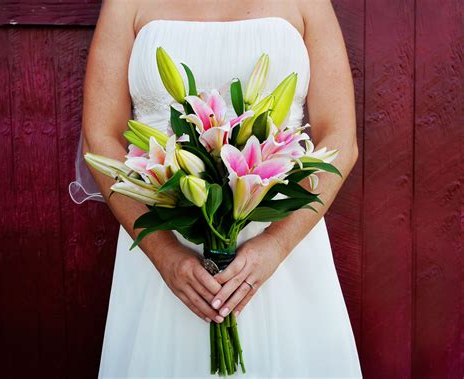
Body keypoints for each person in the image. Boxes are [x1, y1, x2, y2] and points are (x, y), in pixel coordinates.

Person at [73, 0, 362, 377]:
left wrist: (276, 245)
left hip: (282, 253)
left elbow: (340, 139)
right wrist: (165, 256)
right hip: (164, 248)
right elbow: (101, 139)